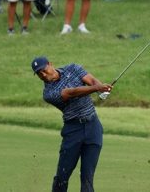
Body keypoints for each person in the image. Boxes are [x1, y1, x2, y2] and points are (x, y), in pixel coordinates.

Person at [30, 56, 112, 192]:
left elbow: (91, 80)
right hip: (73, 131)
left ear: (50, 64)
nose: (43, 75)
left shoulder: (73, 68)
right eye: (39, 74)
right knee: (62, 176)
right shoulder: (49, 93)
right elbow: (72, 92)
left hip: (93, 128)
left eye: (44, 70)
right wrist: (97, 87)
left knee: (87, 177)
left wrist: (100, 89)